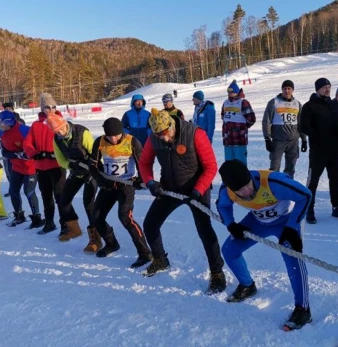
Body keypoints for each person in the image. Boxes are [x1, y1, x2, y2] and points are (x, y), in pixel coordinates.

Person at [217, 160, 312, 331]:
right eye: (240, 190)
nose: (247, 191)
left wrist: (292, 226)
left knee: (293, 259)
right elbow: (223, 205)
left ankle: (303, 309)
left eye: (248, 185)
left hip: (285, 222)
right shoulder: (227, 190)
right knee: (230, 250)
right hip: (257, 221)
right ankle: (247, 286)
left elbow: (305, 195)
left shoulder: (273, 182)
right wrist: (231, 224)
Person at [138, 108, 226, 294]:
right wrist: (150, 182)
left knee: (204, 229)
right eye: (157, 135)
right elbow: (144, 162)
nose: (162, 138)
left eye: (164, 133)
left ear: (171, 125)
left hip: (196, 188)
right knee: (150, 224)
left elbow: (211, 167)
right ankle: (160, 259)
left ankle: (217, 272)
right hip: (170, 187)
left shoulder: (195, 133)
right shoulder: (154, 137)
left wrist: (198, 190)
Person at [88, 118, 153, 268]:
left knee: (125, 217)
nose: (113, 139)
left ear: (121, 132)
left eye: (116, 135)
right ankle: (111, 244)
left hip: (126, 185)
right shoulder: (100, 142)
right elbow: (93, 164)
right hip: (108, 185)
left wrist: (140, 179)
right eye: (109, 136)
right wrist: (99, 178)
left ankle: (145, 253)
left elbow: (142, 163)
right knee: (96, 217)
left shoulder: (132, 142)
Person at [46, 114, 102, 253]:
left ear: (65, 124)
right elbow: (61, 160)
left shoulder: (82, 132)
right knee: (63, 201)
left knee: (88, 203)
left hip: (90, 172)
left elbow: (95, 153)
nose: (60, 132)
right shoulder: (57, 139)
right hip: (76, 171)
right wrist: (73, 165)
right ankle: (74, 229)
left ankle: (96, 238)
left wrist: (92, 168)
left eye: (61, 129)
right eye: (56, 131)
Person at [300, 78, 338, 223]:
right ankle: (309, 208)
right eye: (324, 87)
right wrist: (318, 135)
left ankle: (336, 207)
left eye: (329, 87)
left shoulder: (334, 105)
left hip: (334, 150)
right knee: (313, 181)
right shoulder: (309, 106)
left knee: (335, 180)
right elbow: (303, 126)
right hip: (318, 151)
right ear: (317, 89)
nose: (327, 89)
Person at [23, 96, 66, 234]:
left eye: (53, 107)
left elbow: (66, 140)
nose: (51, 110)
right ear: (42, 108)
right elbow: (27, 142)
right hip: (41, 167)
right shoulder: (36, 125)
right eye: (48, 107)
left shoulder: (60, 122)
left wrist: (53, 154)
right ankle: (49, 222)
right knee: (46, 196)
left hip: (56, 165)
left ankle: (65, 224)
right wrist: (34, 153)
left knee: (60, 195)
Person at [0, 110, 42, 228]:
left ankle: (37, 217)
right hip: (16, 167)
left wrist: (27, 153)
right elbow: (4, 151)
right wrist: (16, 155)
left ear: (10, 122)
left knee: (29, 192)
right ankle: (19, 215)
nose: (0, 125)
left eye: (3, 122)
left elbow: (35, 146)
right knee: (13, 191)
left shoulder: (24, 130)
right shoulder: (2, 134)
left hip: (30, 167)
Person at [262, 79, 306, 179]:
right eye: (285, 89)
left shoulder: (297, 104)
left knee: (290, 168)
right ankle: (273, 188)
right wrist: (267, 138)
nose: (287, 91)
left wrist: (304, 139)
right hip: (278, 140)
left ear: (292, 90)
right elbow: (266, 121)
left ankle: (288, 188)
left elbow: (301, 123)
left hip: (293, 141)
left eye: (289, 89)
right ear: (282, 90)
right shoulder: (274, 102)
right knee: (274, 168)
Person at [221, 80, 256, 165]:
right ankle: (230, 178)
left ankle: (242, 178)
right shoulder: (226, 102)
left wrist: (243, 127)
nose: (229, 93)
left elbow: (251, 118)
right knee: (229, 164)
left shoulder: (243, 102)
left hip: (239, 139)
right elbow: (223, 116)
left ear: (236, 92)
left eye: (231, 92)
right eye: (228, 92)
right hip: (228, 139)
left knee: (240, 164)